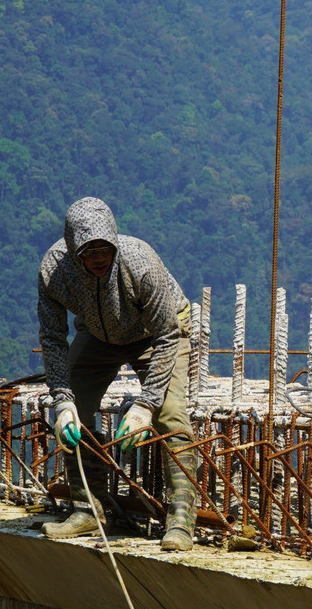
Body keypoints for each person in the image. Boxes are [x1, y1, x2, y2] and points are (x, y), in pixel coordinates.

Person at [37, 197, 200, 550]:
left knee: (170, 416)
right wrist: (62, 400)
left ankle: (181, 520)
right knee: (72, 417)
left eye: (104, 248)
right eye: (88, 251)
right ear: (71, 248)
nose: (98, 258)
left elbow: (168, 334)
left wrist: (146, 404)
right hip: (98, 334)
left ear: (114, 241)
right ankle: (86, 509)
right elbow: (52, 337)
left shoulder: (140, 261)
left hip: (156, 333)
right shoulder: (54, 271)